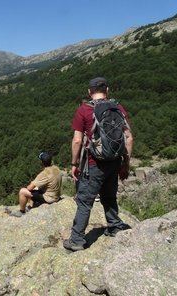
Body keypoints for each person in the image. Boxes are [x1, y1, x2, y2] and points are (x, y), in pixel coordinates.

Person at [63, 77, 133, 252]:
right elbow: (129, 138)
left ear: (89, 92)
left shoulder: (84, 110)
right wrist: (126, 163)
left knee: (85, 201)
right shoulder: (117, 107)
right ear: (107, 90)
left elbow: (77, 141)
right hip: (114, 161)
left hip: (94, 164)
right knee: (109, 197)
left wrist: (74, 163)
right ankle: (115, 225)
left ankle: (77, 239)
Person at [10, 152, 62, 217]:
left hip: (50, 199)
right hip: (56, 196)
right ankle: (33, 205)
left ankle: (21, 212)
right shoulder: (56, 168)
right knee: (36, 189)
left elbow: (29, 188)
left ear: (42, 162)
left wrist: (32, 183)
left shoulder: (44, 174)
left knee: (23, 191)